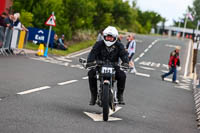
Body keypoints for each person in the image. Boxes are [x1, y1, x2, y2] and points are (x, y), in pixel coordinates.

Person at [86, 26, 129, 105]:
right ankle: (93, 96)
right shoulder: (99, 44)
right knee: (91, 73)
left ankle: (120, 95)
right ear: (104, 37)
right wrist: (90, 62)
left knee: (122, 75)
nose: (109, 39)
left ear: (115, 38)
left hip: (114, 66)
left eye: (111, 37)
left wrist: (125, 62)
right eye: (107, 37)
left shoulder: (119, 45)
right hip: (100, 65)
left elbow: (124, 54)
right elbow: (93, 53)